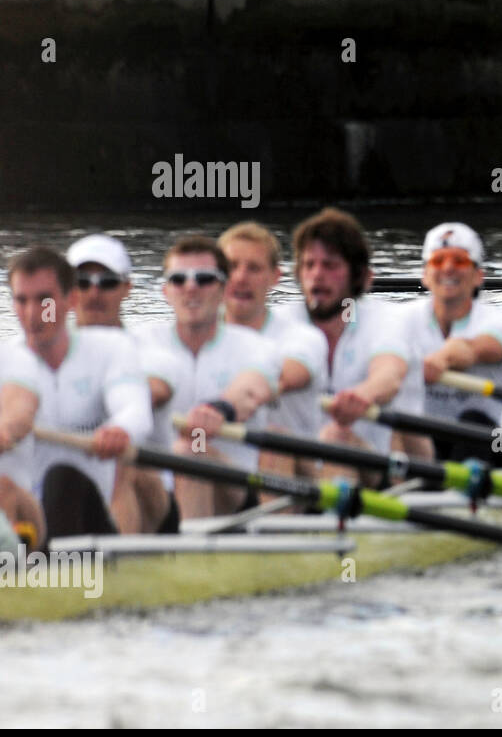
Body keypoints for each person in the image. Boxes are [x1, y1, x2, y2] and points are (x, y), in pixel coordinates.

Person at [8, 247, 152, 538]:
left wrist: (120, 429)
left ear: (71, 300)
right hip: (29, 522)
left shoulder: (110, 348)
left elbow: (136, 411)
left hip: (95, 517)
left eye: (44, 300)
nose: (32, 314)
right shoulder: (5, 361)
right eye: (22, 301)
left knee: (62, 477)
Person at [133, 237, 279, 518]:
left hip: (233, 489)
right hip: (159, 489)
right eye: (179, 279)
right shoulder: (139, 342)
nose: (191, 287)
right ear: (166, 291)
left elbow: (251, 390)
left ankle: (189, 556)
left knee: (191, 451)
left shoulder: (257, 346)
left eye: (204, 278)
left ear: (223, 289)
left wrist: (219, 409)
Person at [277, 207, 427, 470]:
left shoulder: (389, 320)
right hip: (310, 471)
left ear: (358, 275)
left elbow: (389, 375)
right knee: (274, 441)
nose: (317, 274)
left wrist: (363, 395)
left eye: (330, 265)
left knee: (336, 435)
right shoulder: (281, 323)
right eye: (309, 264)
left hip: (386, 469)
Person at [66, 233, 177, 533]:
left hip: (151, 500)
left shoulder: (153, 355)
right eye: (82, 282)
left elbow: (151, 392)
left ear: (127, 288)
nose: (94, 293)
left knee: (118, 459)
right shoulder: (38, 357)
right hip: (68, 491)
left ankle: (119, 568)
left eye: (107, 282)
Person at [402, 223, 502, 463]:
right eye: (438, 261)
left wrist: (441, 360)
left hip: (480, 445)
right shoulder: (400, 321)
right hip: (420, 442)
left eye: (459, 261)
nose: (448, 268)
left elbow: (472, 349)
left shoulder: (501, 324)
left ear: (478, 276)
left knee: (473, 420)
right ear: (425, 274)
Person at [218, 222, 329, 481]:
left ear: (274, 277)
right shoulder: (194, 338)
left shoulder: (302, 336)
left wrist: (223, 407)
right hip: (226, 470)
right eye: (232, 267)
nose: (240, 277)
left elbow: (284, 377)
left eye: (254, 268)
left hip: (299, 475)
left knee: (272, 440)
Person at [0, 337, 43, 548]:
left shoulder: (16, 360)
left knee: (3, 487)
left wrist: (7, 428)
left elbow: (21, 409)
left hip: (26, 510)